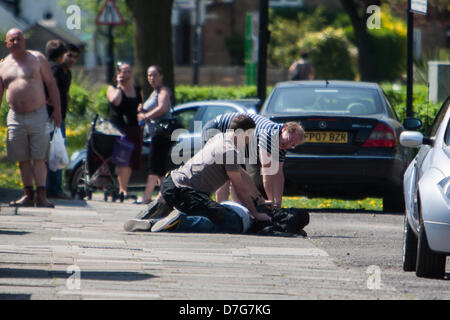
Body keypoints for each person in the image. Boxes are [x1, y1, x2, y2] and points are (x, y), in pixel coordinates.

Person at [124, 114, 272, 233]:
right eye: (249, 136)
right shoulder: (230, 151)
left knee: (206, 208)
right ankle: (180, 221)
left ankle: (158, 212)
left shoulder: (218, 138)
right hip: (184, 192)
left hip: (171, 182)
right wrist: (256, 214)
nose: (249, 141)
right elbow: (240, 188)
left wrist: (259, 199)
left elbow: (241, 173)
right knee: (223, 218)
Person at [0, 28, 62, 208]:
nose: (15, 42)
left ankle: (42, 195)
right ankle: (28, 194)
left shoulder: (37, 59)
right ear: (6, 43)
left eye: (18, 38)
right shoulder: (3, 64)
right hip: (15, 116)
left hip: (38, 113)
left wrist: (57, 110)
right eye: (11, 40)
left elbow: (51, 83)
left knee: (39, 156)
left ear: (24, 41)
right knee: (22, 157)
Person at [202, 112, 305, 209]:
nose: (287, 145)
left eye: (292, 145)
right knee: (226, 174)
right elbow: (267, 170)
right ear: (284, 129)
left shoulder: (283, 144)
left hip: (238, 139)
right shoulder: (270, 135)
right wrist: (270, 202)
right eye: (288, 140)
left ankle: (238, 210)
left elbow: (278, 174)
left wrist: (278, 203)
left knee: (237, 174)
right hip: (217, 128)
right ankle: (220, 210)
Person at [45, 40, 79, 199]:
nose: (72, 59)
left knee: (57, 152)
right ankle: (53, 188)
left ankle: (53, 187)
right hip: (51, 117)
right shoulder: (55, 69)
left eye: (75, 57)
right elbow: (50, 91)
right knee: (54, 153)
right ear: (62, 55)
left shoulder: (67, 73)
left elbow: (64, 93)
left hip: (60, 118)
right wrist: (54, 109)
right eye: (69, 55)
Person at [136, 65, 173, 204]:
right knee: (160, 166)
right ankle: (163, 195)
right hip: (154, 134)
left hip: (161, 133)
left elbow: (162, 108)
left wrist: (146, 116)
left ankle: (146, 196)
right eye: (149, 75)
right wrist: (142, 109)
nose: (152, 78)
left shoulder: (163, 91)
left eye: (155, 75)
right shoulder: (153, 92)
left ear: (161, 76)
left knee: (154, 165)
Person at [107, 62, 143, 200]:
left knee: (131, 160)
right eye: (123, 71)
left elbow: (141, 105)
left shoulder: (136, 88)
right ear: (118, 73)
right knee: (123, 159)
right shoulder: (113, 88)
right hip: (119, 128)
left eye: (128, 71)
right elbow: (115, 101)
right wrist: (119, 85)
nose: (126, 74)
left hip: (134, 127)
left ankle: (124, 188)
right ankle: (122, 190)